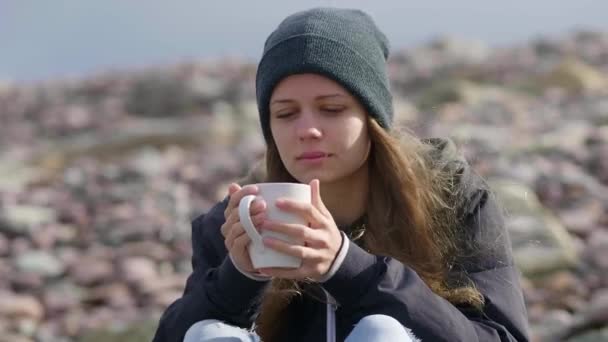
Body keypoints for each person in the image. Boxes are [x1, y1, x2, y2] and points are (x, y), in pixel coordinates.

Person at [153, 7, 530, 342]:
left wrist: (347, 267)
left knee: (383, 334)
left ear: (372, 119)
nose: (307, 130)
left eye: (331, 109)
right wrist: (237, 277)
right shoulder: (239, 220)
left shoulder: (451, 199)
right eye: (285, 114)